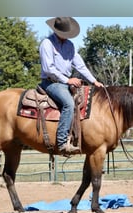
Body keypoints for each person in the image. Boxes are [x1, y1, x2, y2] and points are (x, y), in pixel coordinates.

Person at [39, 17, 104, 154]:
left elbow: (80, 66)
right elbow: (48, 69)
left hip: (64, 83)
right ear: (57, 31)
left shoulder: (70, 46)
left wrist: (94, 81)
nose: (67, 37)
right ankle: (62, 142)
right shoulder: (47, 44)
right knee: (68, 103)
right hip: (51, 83)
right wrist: (68, 80)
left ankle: (79, 137)